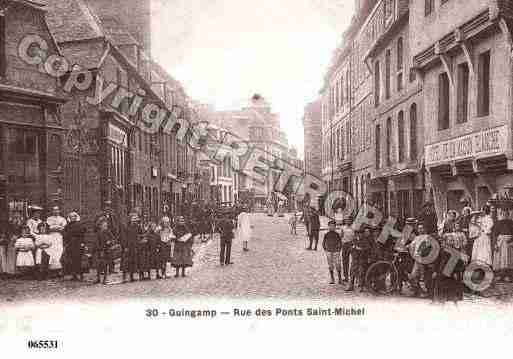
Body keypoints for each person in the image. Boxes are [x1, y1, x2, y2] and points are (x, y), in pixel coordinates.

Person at [346, 225, 373, 292]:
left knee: (361, 272)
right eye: (357, 233)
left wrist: (360, 249)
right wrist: (353, 248)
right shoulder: (353, 240)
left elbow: (368, 248)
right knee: (352, 272)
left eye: (361, 233)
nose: (359, 235)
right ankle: (351, 285)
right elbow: (350, 248)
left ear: (362, 234)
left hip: (362, 259)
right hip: (355, 259)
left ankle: (360, 286)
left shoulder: (365, 240)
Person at [63, 212, 87, 281]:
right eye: (71, 217)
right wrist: (66, 243)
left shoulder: (80, 225)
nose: (72, 218)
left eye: (74, 216)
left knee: (79, 259)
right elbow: (65, 235)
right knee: (72, 260)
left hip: (78, 243)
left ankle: (81, 275)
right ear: (69, 218)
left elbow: (83, 234)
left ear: (76, 217)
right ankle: (74, 275)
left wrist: (83, 243)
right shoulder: (67, 226)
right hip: (71, 244)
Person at [492, 209, 513, 281]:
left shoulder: (511, 223)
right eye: (503, 214)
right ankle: (500, 275)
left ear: (508, 215)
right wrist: (495, 244)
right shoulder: (498, 223)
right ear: (501, 214)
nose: (505, 215)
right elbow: (495, 234)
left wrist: (511, 240)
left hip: (509, 243)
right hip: (500, 242)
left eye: (506, 214)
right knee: (500, 259)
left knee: (508, 259)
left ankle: (508, 275)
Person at [122, 212, 142, 282]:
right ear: (130, 219)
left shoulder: (138, 227)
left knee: (133, 261)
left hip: (135, 246)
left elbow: (140, 234)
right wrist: (125, 246)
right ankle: (124, 277)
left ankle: (131, 276)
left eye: (136, 219)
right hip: (128, 246)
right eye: (133, 219)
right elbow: (124, 238)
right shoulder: (126, 227)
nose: (135, 221)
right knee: (126, 262)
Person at [94, 218, 114, 285]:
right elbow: (96, 242)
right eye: (104, 225)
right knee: (99, 265)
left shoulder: (108, 232)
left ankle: (105, 279)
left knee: (105, 265)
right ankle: (98, 278)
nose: (105, 227)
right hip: (100, 250)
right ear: (100, 226)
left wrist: (110, 242)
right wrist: (99, 249)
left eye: (106, 225)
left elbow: (113, 239)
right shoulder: (98, 233)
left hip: (107, 250)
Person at [323, 220, 343, 284]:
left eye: (333, 226)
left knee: (338, 265)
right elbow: (323, 242)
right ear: (328, 227)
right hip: (329, 251)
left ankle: (339, 278)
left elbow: (340, 242)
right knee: (330, 265)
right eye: (330, 226)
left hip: (336, 252)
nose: (332, 227)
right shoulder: (326, 234)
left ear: (335, 227)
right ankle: (332, 279)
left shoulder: (337, 234)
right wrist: (325, 249)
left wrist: (339, 249)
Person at [340, 218, 355, 282]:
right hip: (345, 245)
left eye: (349, 220)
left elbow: (356, 236)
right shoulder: (343, 228)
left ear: (352, 221)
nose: (348, 221)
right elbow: (341, 236)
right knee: (345, 261)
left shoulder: (354, 227)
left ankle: (353, 277)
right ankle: (346, 277)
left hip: (352, 244)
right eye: (347, 220)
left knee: (354, 261)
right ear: (345, 221)